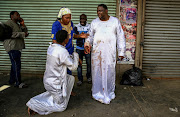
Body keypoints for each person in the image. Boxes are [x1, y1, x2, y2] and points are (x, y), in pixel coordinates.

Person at [26, 30, 79, 115]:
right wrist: (76, 55)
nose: (69, 38)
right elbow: (73, 67)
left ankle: (57, 96)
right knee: (61, 107)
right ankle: (34, 104)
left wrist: (71, 56)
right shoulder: (62, 51)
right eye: (68, 37)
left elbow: (64, 58)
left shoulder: (52, 47)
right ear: (65, 40)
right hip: (55, 84)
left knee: (70, 78)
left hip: (48, 80)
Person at [84, 4, 126, 104]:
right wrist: (87, 44)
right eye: (98, 11)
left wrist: (121, 51)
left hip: (109, 53)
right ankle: (97, 92)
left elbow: (120, 36)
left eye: (101, 11)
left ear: (106, 11)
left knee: (109, 72)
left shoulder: (115, 21)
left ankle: (108, 92)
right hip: (97, 53)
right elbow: (89, 36)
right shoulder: (94, 22)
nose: (99, 13)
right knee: (97, 72)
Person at [51, 7, 88, 75]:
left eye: (70, 18)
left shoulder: (71, 23)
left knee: (68, 72)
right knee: (61, 72)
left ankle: (67, 85)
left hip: (70, 51)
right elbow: (54, 40)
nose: (69, 20)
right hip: (61, 53)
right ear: (61, 17)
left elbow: (72, 35)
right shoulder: (56, 25)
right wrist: (62, 52)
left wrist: (79, 36)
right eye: (66, 18)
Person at [3, 11, 29, 88]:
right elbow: (9, 34)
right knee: (17, 65)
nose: (19, 16)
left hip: (17, 47)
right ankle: (18, 83)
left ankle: (12, 80)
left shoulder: (17, 24)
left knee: (14, 64)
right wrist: (23, 34)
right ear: (12, 16)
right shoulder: (8, 23)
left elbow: (25, 32)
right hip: (12, 47)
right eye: (17, 15)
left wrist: (23, 24)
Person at [74, 14, 91, 86]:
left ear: (86, 19)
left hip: (87, 49)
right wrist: (80, 36)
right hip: (79, 49)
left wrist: (87, 35)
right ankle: (80, 79)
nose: (82, 20)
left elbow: (91, 35)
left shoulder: (90, 26)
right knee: (79, 64)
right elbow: (74, 36)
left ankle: (89, 78)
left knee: (89, 64)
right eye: (81, 19)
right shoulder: (76, 27)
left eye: (84, 19)